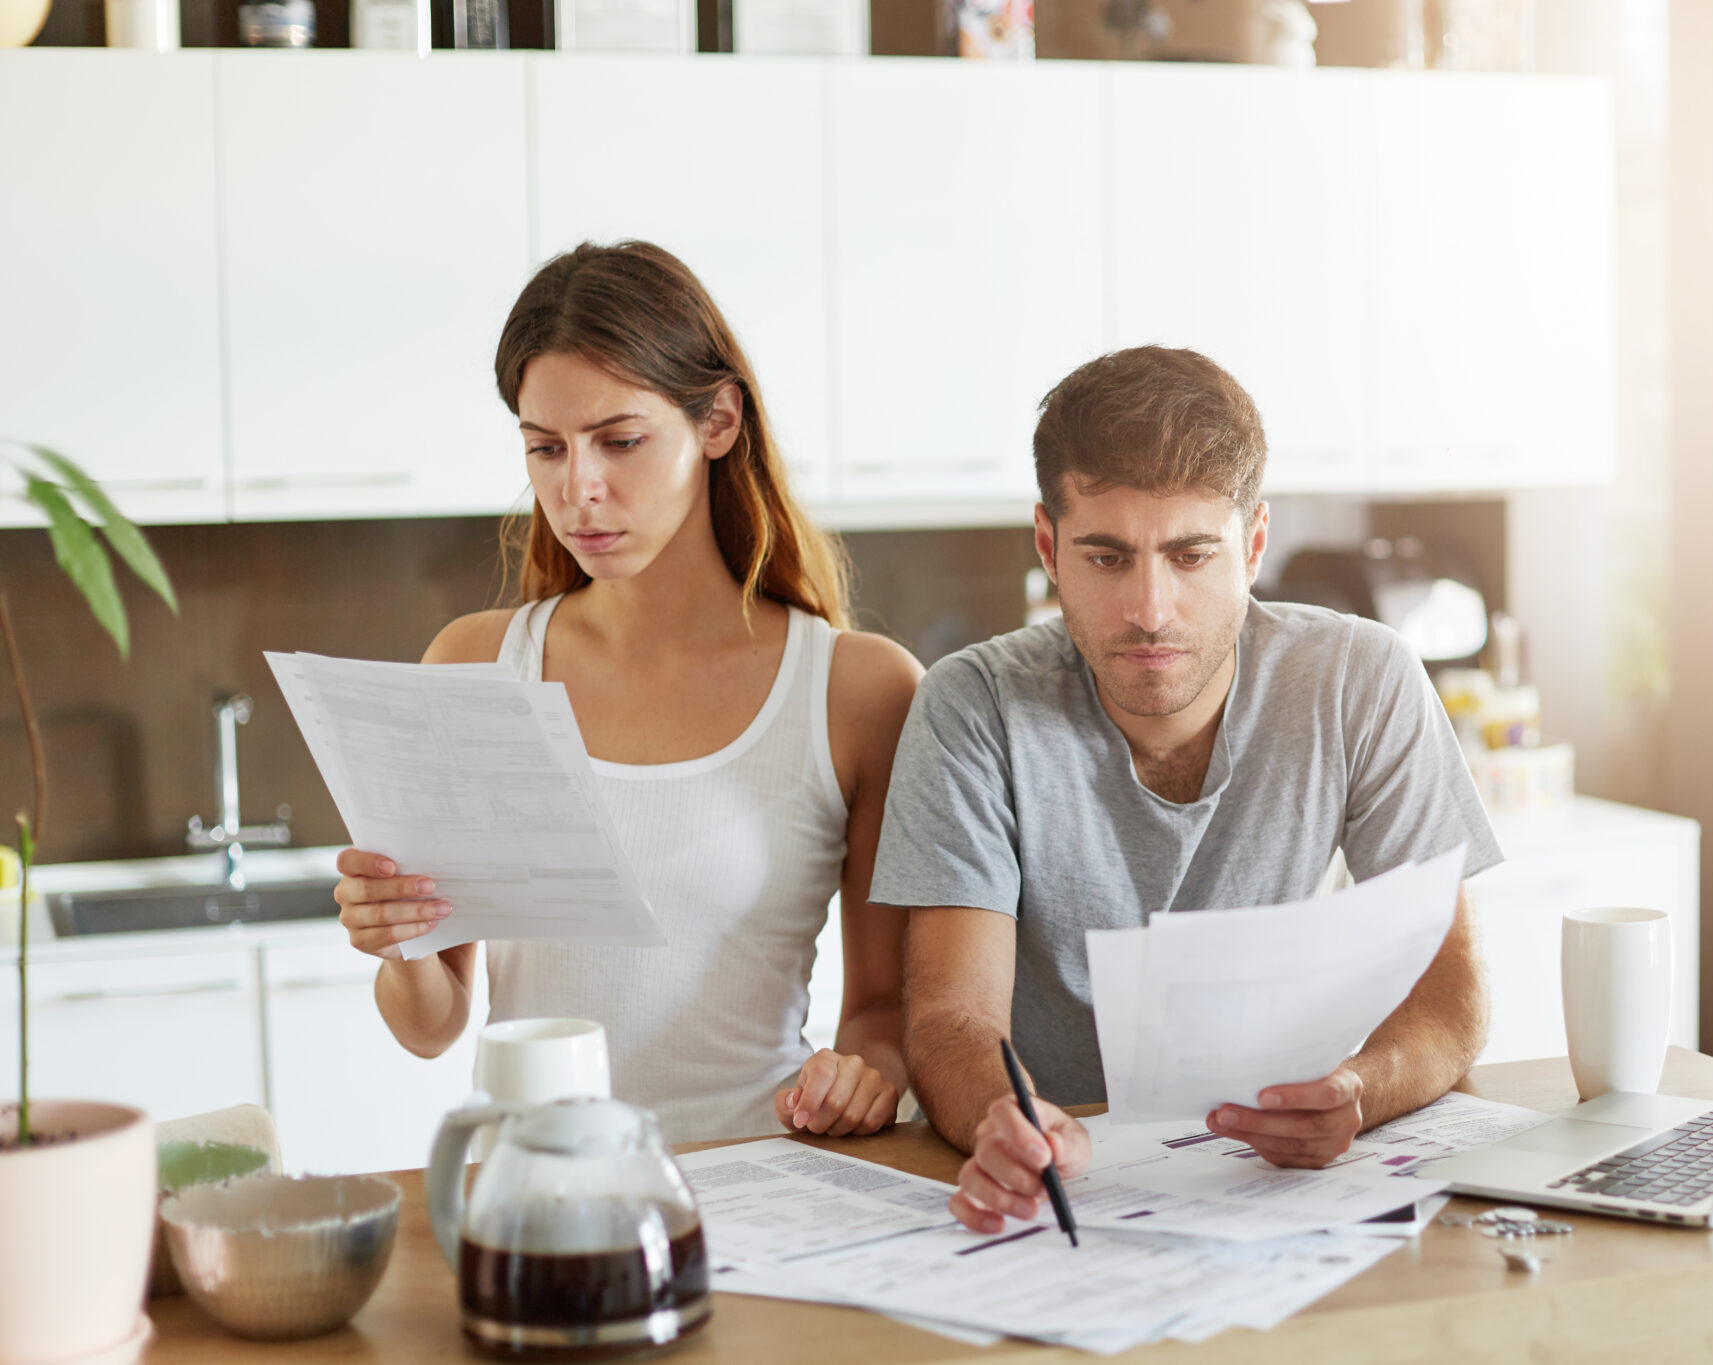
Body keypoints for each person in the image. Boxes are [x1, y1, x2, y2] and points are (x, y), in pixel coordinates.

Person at [869, 346, 1503, 1234]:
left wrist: (1360, 1090)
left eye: (1192, 554)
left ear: (1252, 545)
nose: (1151, 609)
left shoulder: (1363, 678)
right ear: (1049, 546)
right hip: (1069, 1182)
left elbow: (1451, 993)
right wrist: (1002, 1120)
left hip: (1286, 1187)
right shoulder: (973, 706)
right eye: (1108, 557)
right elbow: (950, 1014)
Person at [332, 241, 922, 1143]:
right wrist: (397, 943)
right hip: (528, 1194)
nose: (580, 491)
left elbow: (883, 1012)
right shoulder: (471, 668)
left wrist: (861, 1078)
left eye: (621, 440)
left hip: (760, 1193)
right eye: (546, 448)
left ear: (718, 420)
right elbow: (434, 1023)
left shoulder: (859, 691)